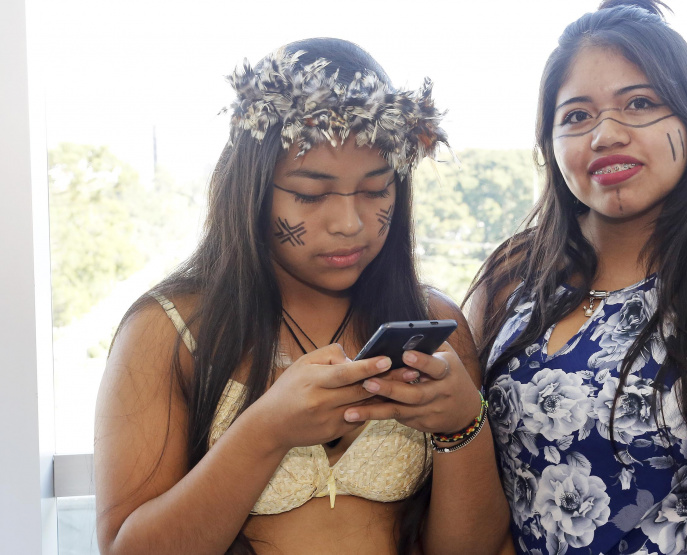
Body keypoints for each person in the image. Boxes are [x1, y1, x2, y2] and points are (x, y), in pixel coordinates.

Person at [94, 38, 508, 555]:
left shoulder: (432, 319)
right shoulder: (170, 330)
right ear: (252, 186)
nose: (349, 224)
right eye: (311, 194)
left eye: (376, 189)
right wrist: (265, 431)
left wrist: (464, 424)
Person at [468, 2, 687, 554]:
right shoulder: (511, 274)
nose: (606, 134)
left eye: (640, 103)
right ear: (550, 144)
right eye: (576, 116)